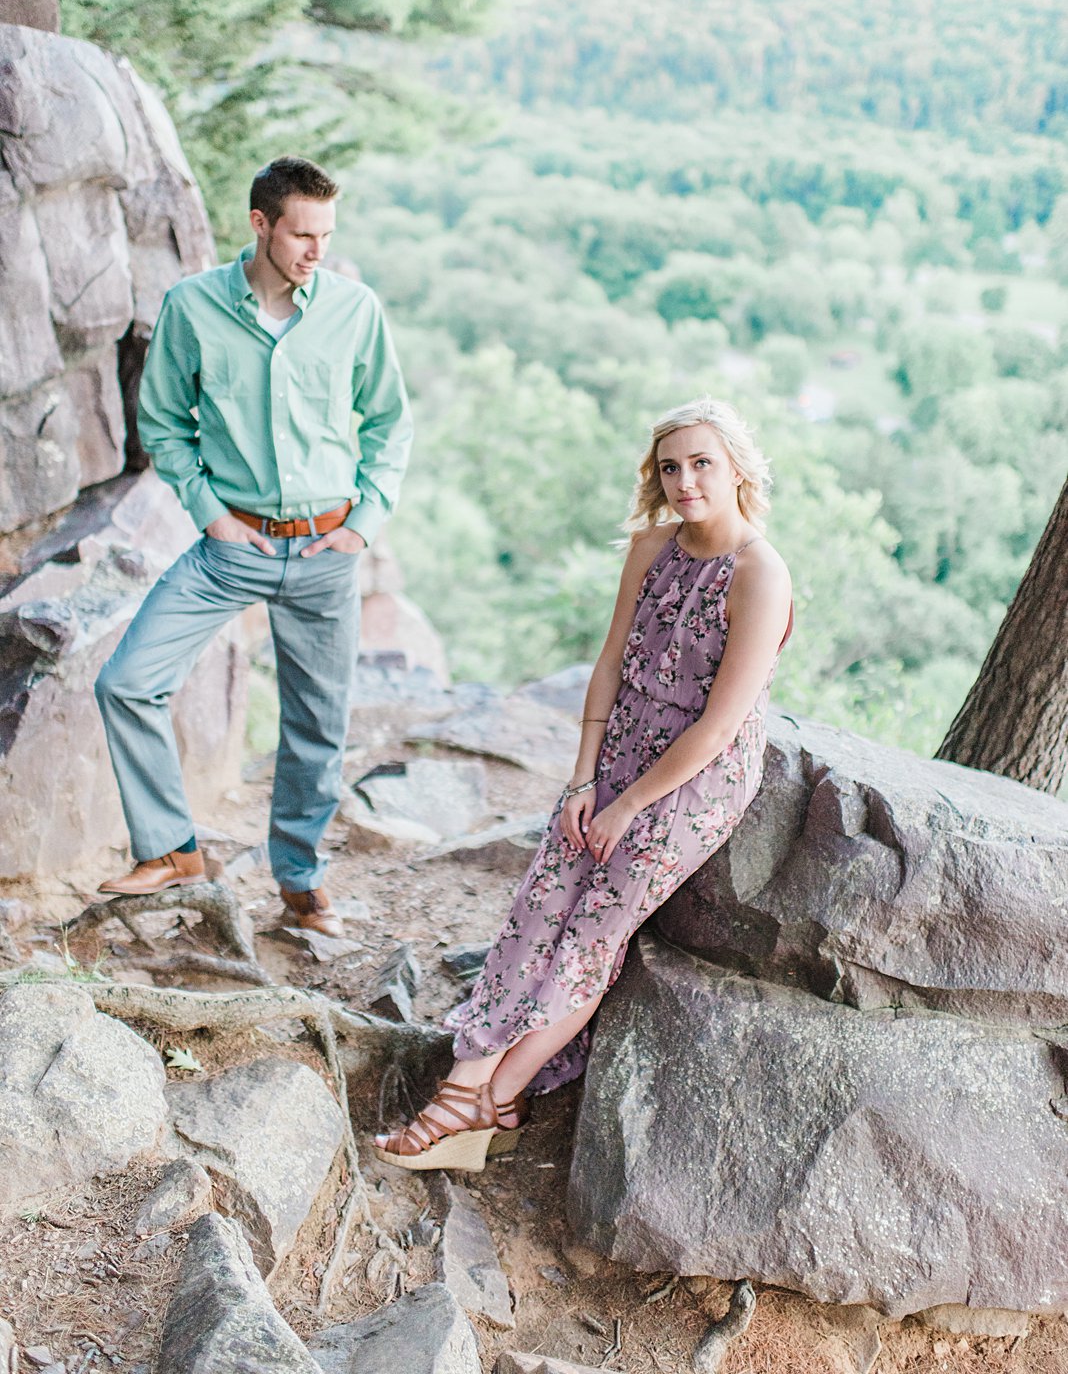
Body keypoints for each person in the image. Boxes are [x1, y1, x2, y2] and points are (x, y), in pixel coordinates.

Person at [375, 395, 792, 1169]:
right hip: (620, 751)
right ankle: (482, 1095)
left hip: (691, 781)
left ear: (737, 467)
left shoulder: (761, 575)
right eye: (670, 467)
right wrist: (581, 784)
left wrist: (629, 806)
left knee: (590, 934)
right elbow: (609, 665)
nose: (685, 481)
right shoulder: (651, 549)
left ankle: (488, 1093)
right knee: (540, 905)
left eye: (702, 462)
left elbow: (720, 726)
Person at [94, 156, 412, 937]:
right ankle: (172, 849)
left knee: (315, 728)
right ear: (260, 224)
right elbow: (164, 421)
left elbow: (390, 425)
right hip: (231, 545)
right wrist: (209, 512)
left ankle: (299, 881)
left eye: (328, 235)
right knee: (126, 683)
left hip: (325, 551)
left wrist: (361, 525)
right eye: (303, 234)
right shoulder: (193, 308)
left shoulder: (353, 309)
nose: (317, 252)